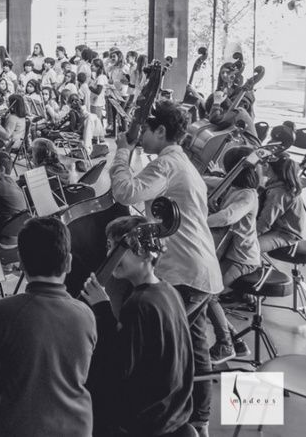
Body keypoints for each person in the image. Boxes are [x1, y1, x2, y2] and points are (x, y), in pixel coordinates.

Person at [109, 100, 222, 436]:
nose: (140, 134)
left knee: (160, 353)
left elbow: (125, 191)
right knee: (195, 353)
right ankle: (199, 423)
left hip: (184, 271)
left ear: (160, 131)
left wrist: (122, 150)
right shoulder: (181, 161)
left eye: (144, 129)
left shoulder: (168, 164)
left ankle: (164, 425)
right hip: (201, 269)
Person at [0, 217, 97, 437]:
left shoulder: (6, 311)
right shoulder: (86, 314)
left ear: (21, 262)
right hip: (80, 428)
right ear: (68, 262)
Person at [82, 216, 194, 437]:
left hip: (150, 420)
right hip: (175, 411)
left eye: (118, 248)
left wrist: (102, 309)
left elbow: (117, 368)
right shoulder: (168, 290)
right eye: (109, 247)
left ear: (146, 253)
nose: (110, 256)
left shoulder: (139, 304)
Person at [204, 146, 261, 364]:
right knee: (204, 292)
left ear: (237, 169)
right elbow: (206, 180)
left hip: (242, 258)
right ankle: (237, 341)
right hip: (229, 254)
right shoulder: (232, 186)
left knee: (208, 294)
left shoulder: (248, 195)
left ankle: (225, 344)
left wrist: (199, 221)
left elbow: (228, 216)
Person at [257, 154, 306, 253]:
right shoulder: (277, 184)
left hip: (286, 234)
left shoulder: (279, 193)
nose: (262, 167)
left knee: (247, 248)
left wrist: (249, 235)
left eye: (264, 165)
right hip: (278, 226)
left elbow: (265, 222)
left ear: (269, 167)